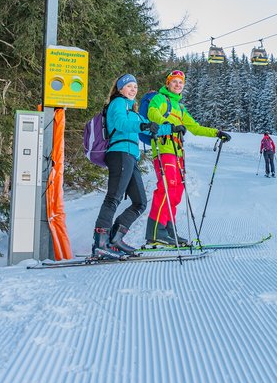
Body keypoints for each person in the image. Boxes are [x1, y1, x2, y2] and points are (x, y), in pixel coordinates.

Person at [145, 69, 231, 245]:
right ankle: (155, 231)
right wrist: (168, 124)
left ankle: (169, 229)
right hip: (164, 148)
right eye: (174, 81)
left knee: (176, 192)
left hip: (178, 153)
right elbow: (153, 113)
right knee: (166, 188)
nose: (177, 85)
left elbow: (195, 128)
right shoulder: (160, 99)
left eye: (180, 83)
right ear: (168, 83)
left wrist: (217, 133)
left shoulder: (180, 107)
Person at [92, 74, 172, 259]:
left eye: (135, 87)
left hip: (130, 156)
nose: (133, 89)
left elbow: (150, 127)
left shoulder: (132, 111)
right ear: (120, 89)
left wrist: (172, 129)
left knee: (140, 202)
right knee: (113, 198)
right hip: (119, 153)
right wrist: (143, 125)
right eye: (129, 86)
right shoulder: (118, 103)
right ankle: (100, 243)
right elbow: (121, 123)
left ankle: (115, 239)